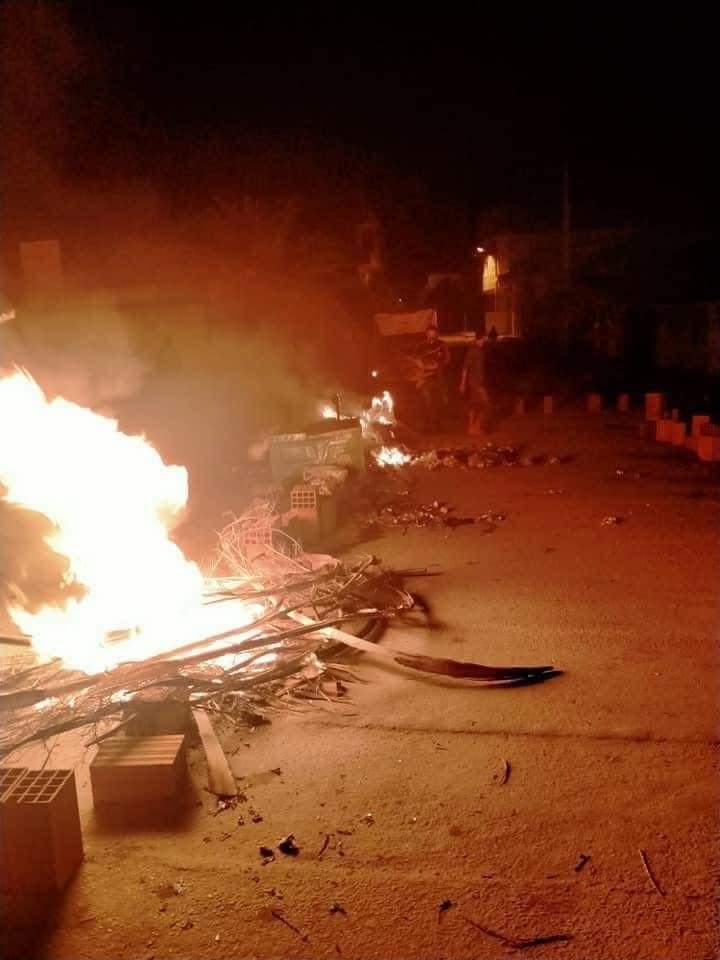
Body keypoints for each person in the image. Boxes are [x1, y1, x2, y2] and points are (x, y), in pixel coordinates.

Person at [408, 325, 450, 430]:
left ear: (436, 334)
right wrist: (422, 365)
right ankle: (429, 425)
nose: (431, 336)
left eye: (433, 334)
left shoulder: (441, 345)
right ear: (426, 334)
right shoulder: (421, 346)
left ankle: (438, 424)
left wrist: (438, 365)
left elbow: (447, 359)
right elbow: (414, 359)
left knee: (440, 401)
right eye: (430, 334)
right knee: (427, 400)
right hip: (425, 379)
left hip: (438, 377)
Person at [459, 331, 492, 434]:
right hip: (475, 383)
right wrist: (462, 383)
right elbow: (465, 368)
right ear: (477, 339)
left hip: (479, 382)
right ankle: (476, 427)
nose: (483, 342)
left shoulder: (481, 351)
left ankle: (471, 428)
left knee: (474, 405)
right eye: (482, 340)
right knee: (486, 404)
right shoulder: (472, 351)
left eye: (484, 340)